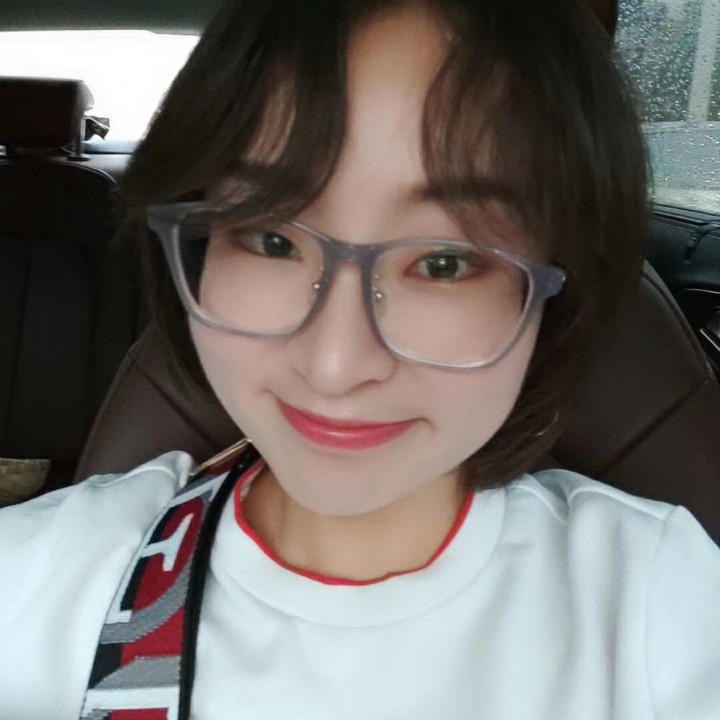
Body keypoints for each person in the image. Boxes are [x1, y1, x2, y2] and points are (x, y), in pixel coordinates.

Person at [1, 0, 719, 718]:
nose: (336, 366)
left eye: (444, 262)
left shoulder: (659, 603)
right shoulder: (35, 581)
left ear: (554, 292)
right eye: (272, 240)